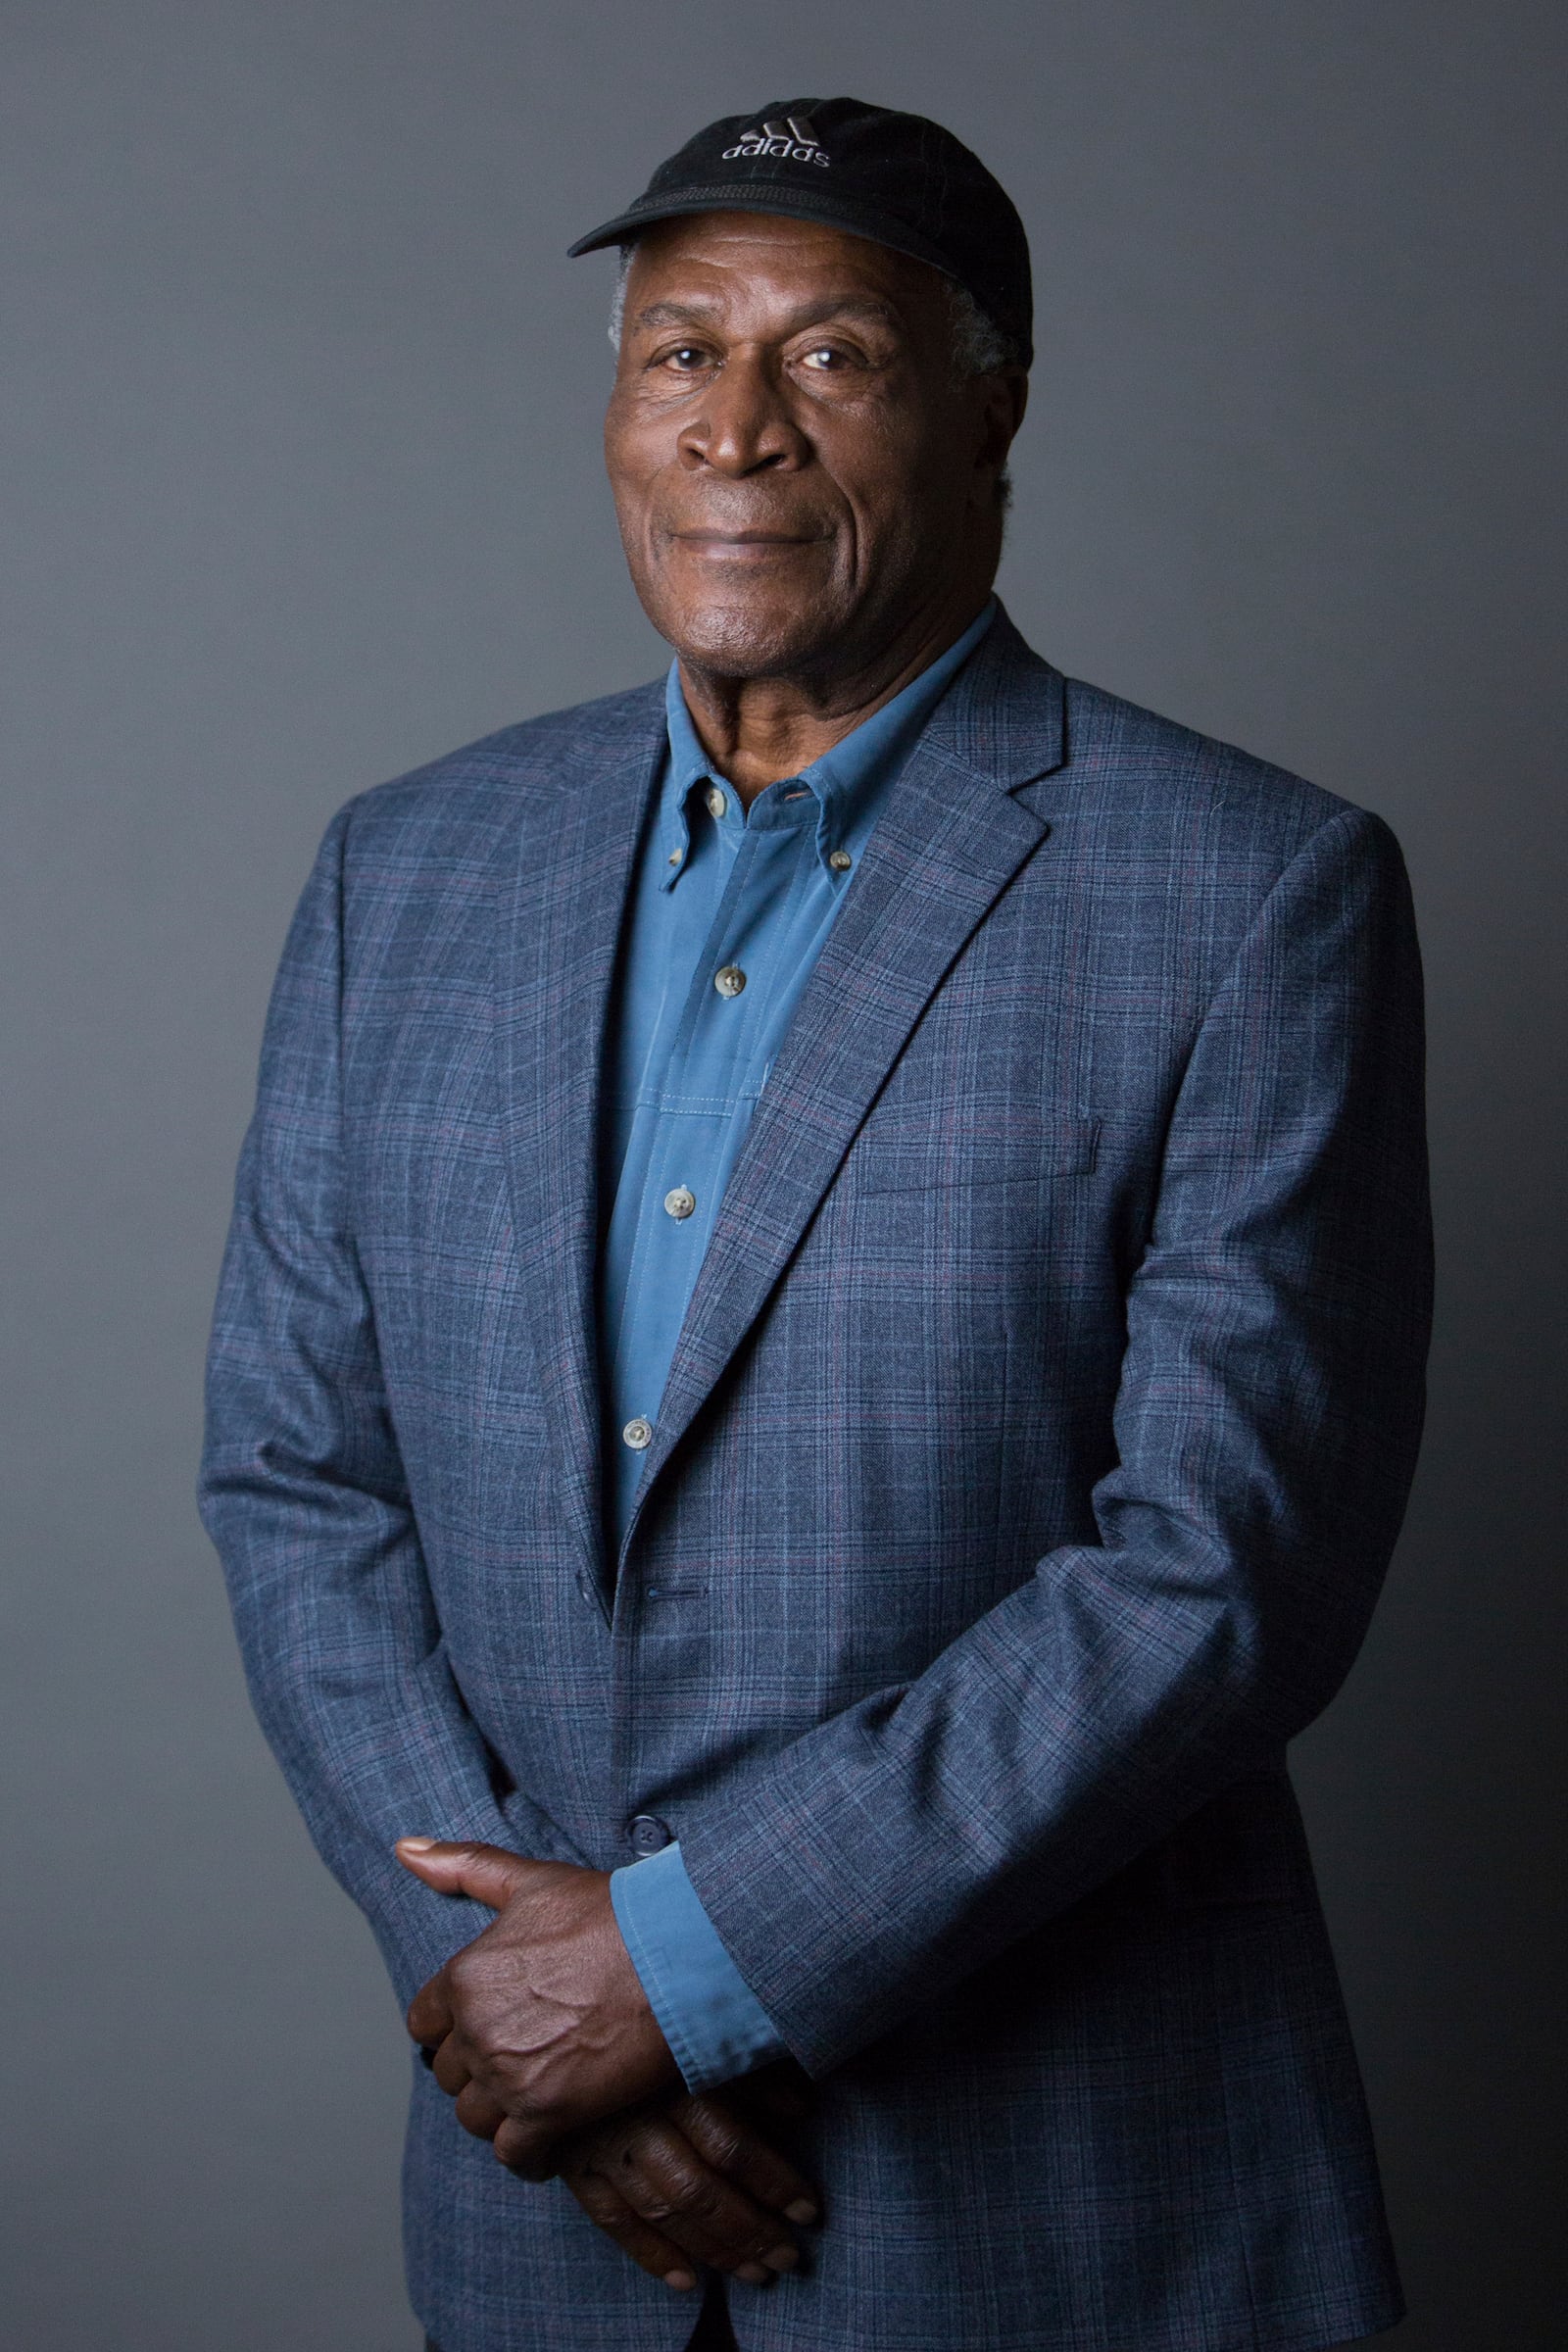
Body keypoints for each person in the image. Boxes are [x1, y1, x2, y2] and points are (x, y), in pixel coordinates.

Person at [200, 96, 1431, 2352]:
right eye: (676, 351)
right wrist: (513, 2000)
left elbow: (1226, 1569)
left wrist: (667, 1971)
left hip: (1045, 2192)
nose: (733, 429)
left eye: (832, 355)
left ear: (994, 404)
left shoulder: (1248, 892)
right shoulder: (412, 867)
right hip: (535, 2201)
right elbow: (299, 1474)